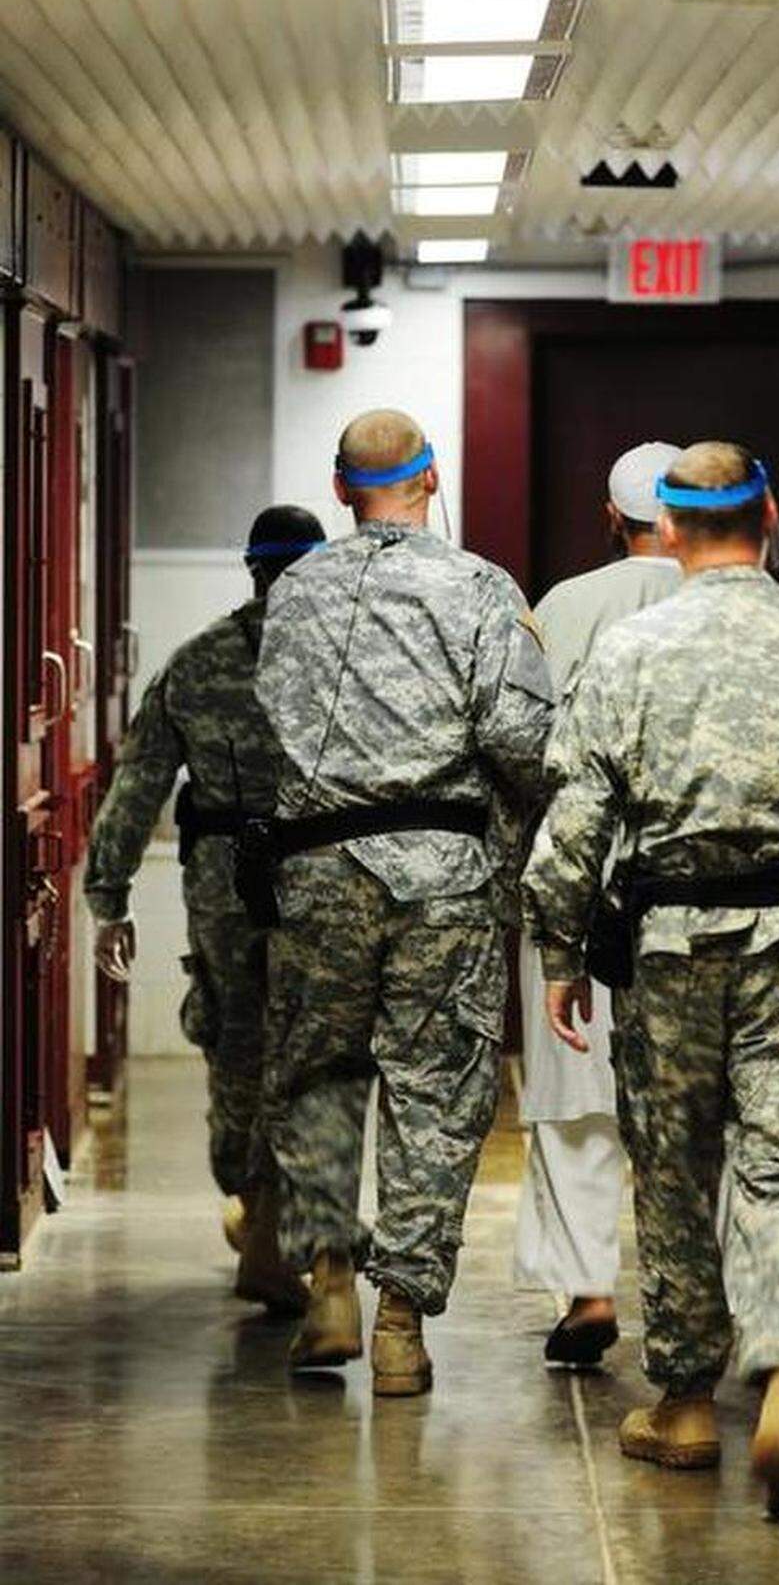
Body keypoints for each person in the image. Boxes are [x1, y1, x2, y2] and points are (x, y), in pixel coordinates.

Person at [522, 441, 779, 1517]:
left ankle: (686, 1405)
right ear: (770, 518)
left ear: (666, 530)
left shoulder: (629, 650)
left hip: (666, 950)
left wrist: (561, 955)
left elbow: (574, 826)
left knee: (674, 1170)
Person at [254, 409, 554, 1393]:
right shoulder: (480, 588)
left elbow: (273, 728)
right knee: (435, 1091)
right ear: (433, 479)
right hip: (444, 878)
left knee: (318, 1079)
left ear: (341, 488)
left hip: (317, 875)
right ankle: (400, 1329)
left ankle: (329, 1280)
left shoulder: (294, 591)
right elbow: (522, 741)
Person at [84, 504, 327, 1313]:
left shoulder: (195, 663)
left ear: (252, 569)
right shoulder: (347, 662)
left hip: (223, 881)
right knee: (314, 1048)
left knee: (236, 1040)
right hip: (323, 877)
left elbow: (136, 787)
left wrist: (109, 896)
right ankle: (277, 1228)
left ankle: (254, 1206)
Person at [515, 440, 683, 1368]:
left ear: (612, 519)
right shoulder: (730, 604)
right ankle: (707, 1294)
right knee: (703, 1100)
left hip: (578, 883)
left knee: (576, 1094)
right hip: (694, 891)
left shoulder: (563, 606)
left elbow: (524, 746)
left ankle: (588, 1293)